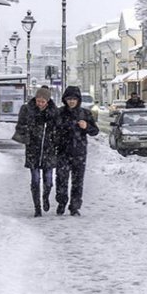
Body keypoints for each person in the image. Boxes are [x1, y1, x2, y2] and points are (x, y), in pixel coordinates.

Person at [13, 86, 58, 217]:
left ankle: (45, 197)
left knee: (48, 181)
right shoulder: (27, 110)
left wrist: (55, 139)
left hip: (48, 150)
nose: (40, 103)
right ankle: (37, 208)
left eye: (43, 101)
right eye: (38, 100)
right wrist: (28, 130)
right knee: (35, 180)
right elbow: (20, 126)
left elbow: (58, 130)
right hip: (33, 150)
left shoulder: (53, 112)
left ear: (47, 101)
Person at [56, 85, 98, 217]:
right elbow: (55, 129)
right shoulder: (60, 112)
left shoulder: (85, 113)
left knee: (78, 181)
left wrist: (86, 126)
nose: (71, 101)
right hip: (63, 151)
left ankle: (74, 207)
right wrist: (66, 126)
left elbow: (95, 131)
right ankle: (61, 202)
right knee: (61, 180)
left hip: (79, 153)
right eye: (69, 99)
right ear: (65, 99)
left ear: (78, 100)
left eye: (74, 99)